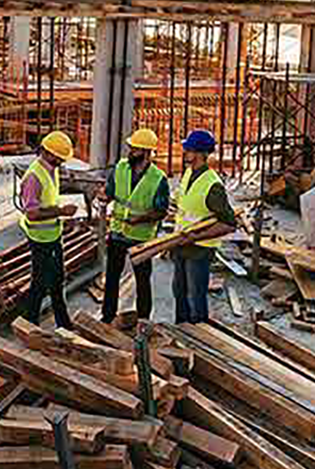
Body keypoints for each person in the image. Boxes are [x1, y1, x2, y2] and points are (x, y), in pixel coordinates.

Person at [99, 127, 169, 324]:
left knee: (142, 282)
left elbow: (161, 211)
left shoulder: (158, 179)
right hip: (117, 233)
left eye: (135, 149)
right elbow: (110, 191)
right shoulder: (121, 168)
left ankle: (143, 321)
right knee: (112, 279)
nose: (130, 152)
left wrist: (140, 219)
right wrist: (104, 195)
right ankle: (107, 317)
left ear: (147, 153)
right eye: (131, 148)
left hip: (141, 238)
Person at [171, 129, 236, 324]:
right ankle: (181, 330)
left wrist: (194, 237)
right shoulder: (189, 173)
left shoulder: (212, 184)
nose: (184, 153)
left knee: (195, 296)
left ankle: (199, 335)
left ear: (200, 153)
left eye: (188, 150)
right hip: (181, 243)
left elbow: (229, 223)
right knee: (179, 291)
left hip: (199, 249)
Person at [18, 129, 80, 327]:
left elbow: (48, 202)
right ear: (48, 152)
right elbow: (32, 213)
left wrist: (60, 215)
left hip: (52, 234)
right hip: (40, 238)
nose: (62, 161)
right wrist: (61, 211)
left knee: (56, 280)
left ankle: (62, 322)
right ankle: (31, 322)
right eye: (60, 157)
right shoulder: (33, 178)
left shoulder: (50, 169)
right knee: (40, 282)